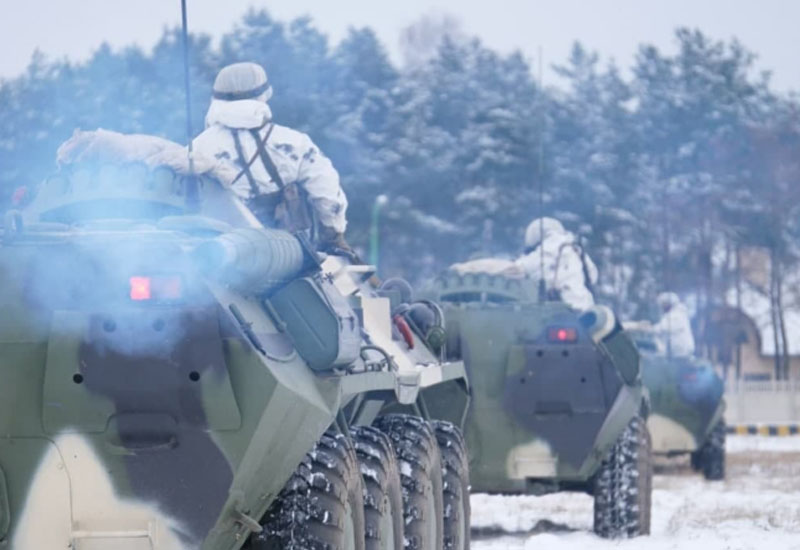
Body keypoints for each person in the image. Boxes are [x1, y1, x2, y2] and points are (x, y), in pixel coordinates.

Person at [193, 62, 349, 252]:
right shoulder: (294, 143)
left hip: (218, 256)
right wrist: (332, 235)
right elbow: (327, 194)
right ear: (264, 95)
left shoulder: (198, 148)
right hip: (289, 257)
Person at [515, 217, 598, 310]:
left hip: (563, 310)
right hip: (586, 308)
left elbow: (519, 268)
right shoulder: (576, 249)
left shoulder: (547, 249)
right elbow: (593, 276)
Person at [653, 292, 695, 357]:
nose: (662, 307)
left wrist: (648, 328)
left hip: (681, 351)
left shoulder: (677, 314)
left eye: (663, 304)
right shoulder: (673, 313)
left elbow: (664, 328)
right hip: (676, 351)